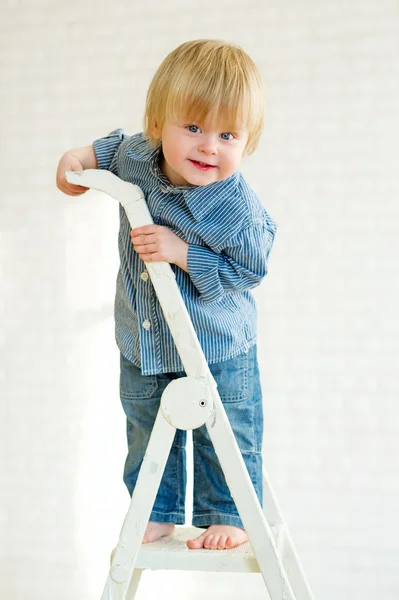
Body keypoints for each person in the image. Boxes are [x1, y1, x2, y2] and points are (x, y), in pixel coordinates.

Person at [56, 39, 277, 551]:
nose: (209, 147)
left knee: (224, 425)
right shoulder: (138, 155)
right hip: (145, 335)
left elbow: (250, 269)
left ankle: (229, 511)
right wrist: (78, 159)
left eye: (228, 134)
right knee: (143, 421)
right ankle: (154, 509)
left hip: (215, 341)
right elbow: (105, 151)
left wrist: (182, 253)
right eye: (193, 128)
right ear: (158, 125)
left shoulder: (236, 204)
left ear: (247, 142)